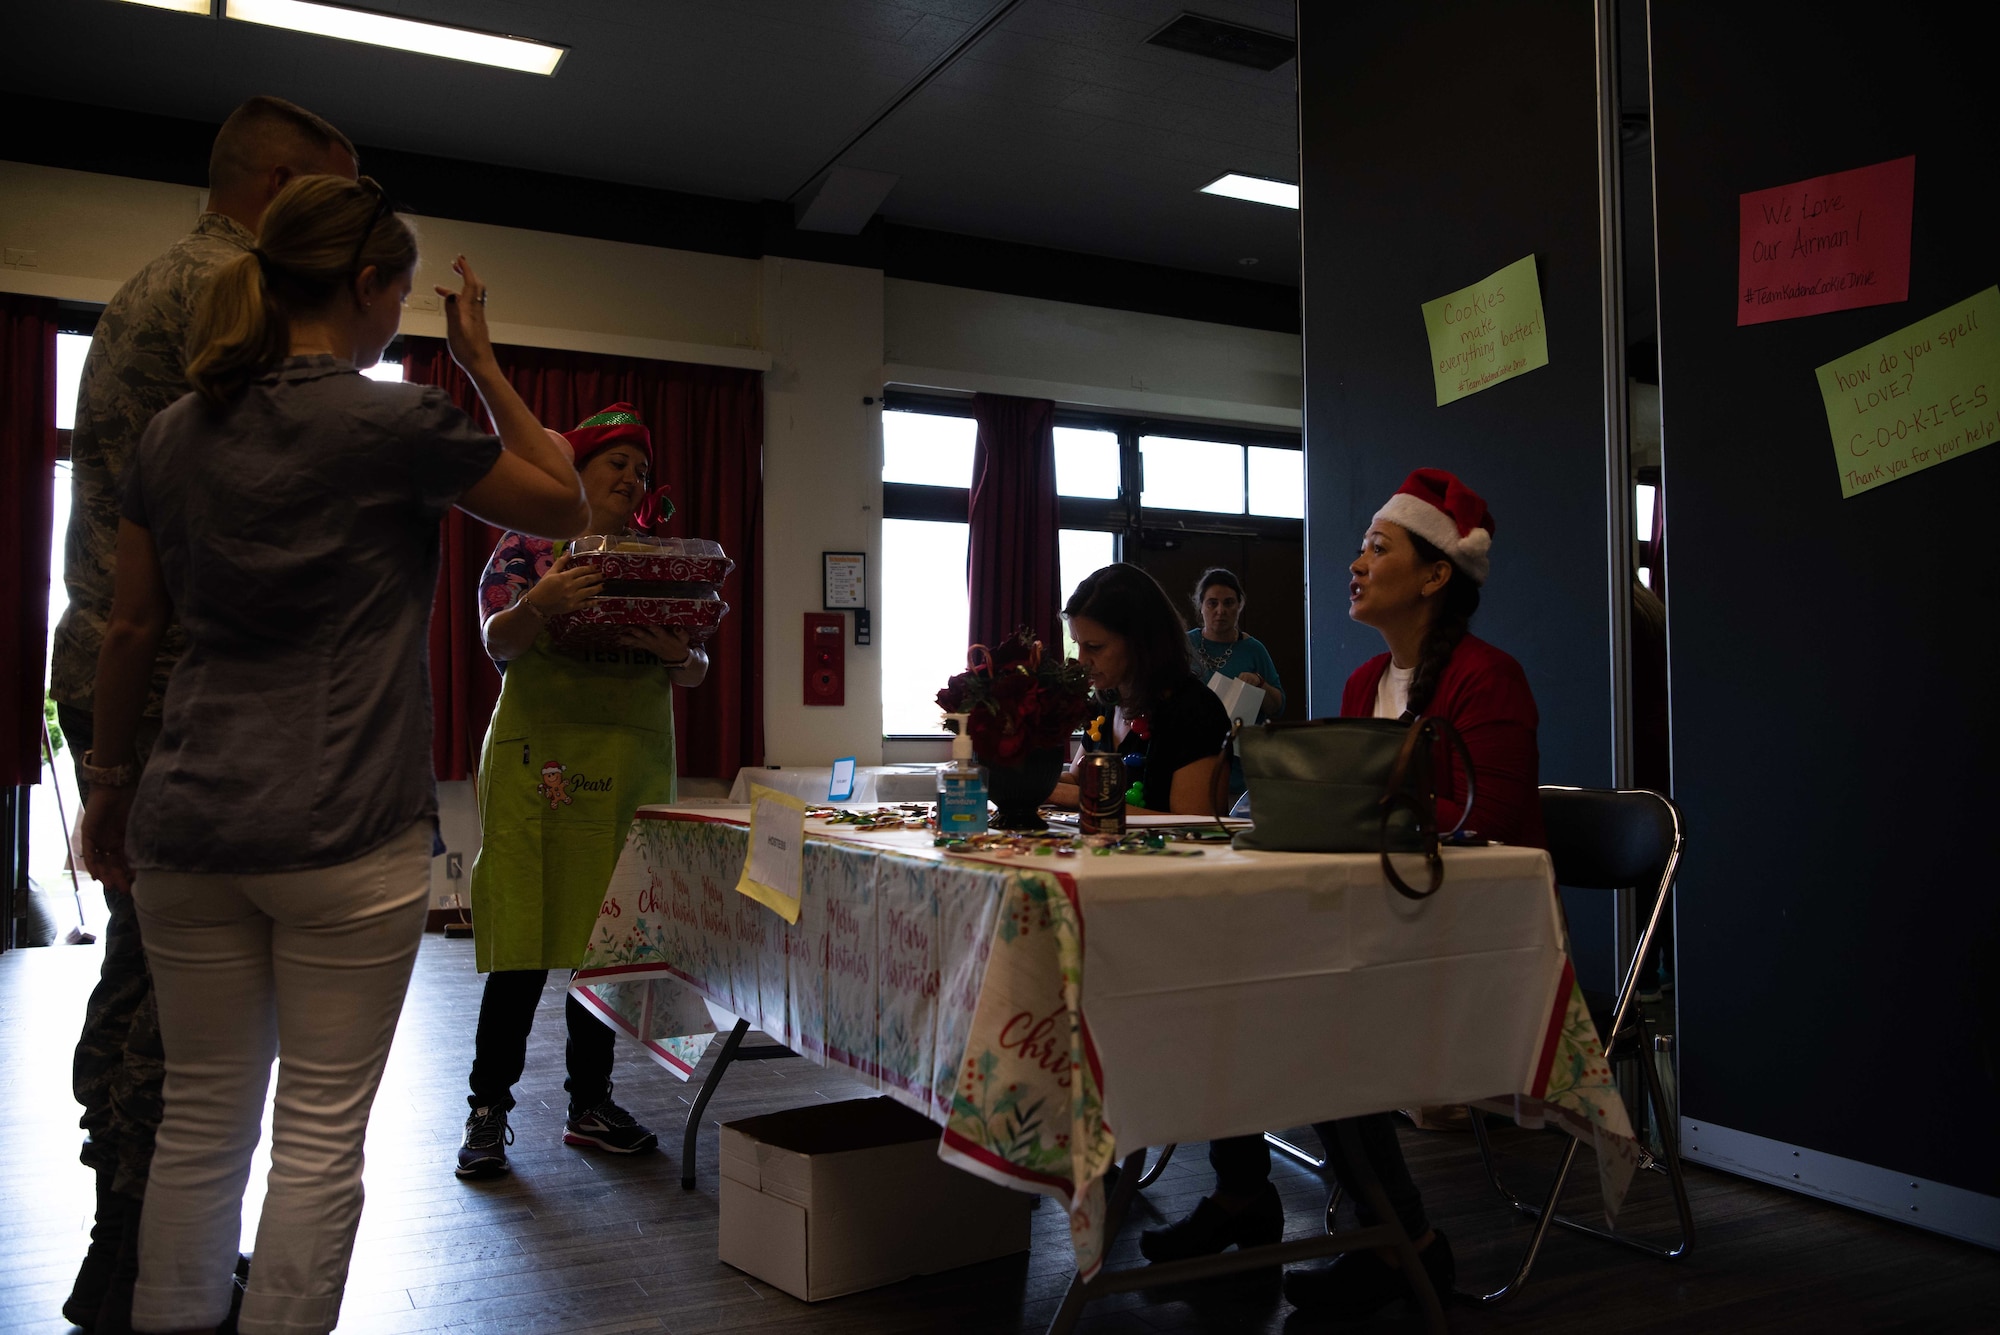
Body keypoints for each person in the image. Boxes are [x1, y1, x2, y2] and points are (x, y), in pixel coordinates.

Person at [78, 172, 588, 1335]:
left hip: (189, 822)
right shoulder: (397, 421)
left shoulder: (173, 432)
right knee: (316, 1133)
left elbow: (131, 627)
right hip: (342, 833)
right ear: (366, 287)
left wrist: (107, 789)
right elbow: (561, 500)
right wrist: (480, 364)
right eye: (399, 297)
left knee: (202, 1120)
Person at [47, 94, 358, 1334]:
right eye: (335, 202)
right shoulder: (239, 293)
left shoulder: (148, 284)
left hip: (123, 666)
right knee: (198, 1000)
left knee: (146, 977)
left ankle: (125, 1251)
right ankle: (146, 1268)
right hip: (191, 680)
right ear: (279, 188)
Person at [1139, 469, 1545, 1322]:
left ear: (1436, 574)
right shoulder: (1366, 683)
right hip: (1381, 921)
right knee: (1244, 984)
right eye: (1361, 547)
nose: (1355, 564)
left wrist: (1349, 803)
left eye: (1377, 547)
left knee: (1304, 1008)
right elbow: (1358, 810)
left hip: (1459, 939)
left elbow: (1495, 827)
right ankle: (1285, 1203)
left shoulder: (1486, 677)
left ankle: (1401, 1238)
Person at [455, 405, 710, 1178]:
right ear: (575, 471)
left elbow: (695, 666)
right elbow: (496, 639)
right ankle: (488, 1110)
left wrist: (678, 653)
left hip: (628, 765)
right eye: (616, 464)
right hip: (542, 766)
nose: (632, 477)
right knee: (524, 945)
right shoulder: (528, 548)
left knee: (605, 947)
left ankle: (589, 1104)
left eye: (640, 467)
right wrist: (539, 604)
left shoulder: (659, 559)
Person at [1047, 563, 1231, 816]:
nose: (1081, 660)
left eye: (1095, 647)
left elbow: (1196, 826)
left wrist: (1081, 798)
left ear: (1140, 642)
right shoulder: (1108, 701)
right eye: (1078, 644)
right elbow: (1077, 781)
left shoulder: (1195, 711)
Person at [1186, 567, 1284, 801]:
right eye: (1212, 603)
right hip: (1192, 765)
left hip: (1240, 774)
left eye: (1229, 603)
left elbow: (1278, 706)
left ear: (1240, 605)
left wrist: (1260, 683)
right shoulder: (1185, 645)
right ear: (1201, 606)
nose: (1221, 611)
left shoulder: (1253, 649)